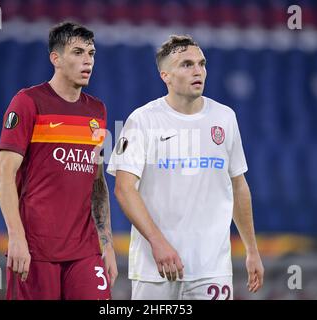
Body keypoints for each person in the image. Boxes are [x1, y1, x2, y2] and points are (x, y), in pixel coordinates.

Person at [107, 35, 264, 300]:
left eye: (202, 64)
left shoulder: (225, 118)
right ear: (165, 75)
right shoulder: (143, 120)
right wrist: (157, 242)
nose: (198, 71)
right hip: (155, 267)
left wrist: (252, 250)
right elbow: (123, 189)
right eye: (187, 64)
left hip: (211, 268)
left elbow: (238, 185)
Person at [0, 21, 117, 300]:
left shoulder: (97, 110)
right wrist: (16, 237)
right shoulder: (28, 102)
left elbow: (96, 182)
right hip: (36, 250)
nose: (88, 61)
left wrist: (106, 243)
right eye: (77, 52)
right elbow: (4, 174)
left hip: (85, 251)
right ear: (56, 58)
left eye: (92, 53)